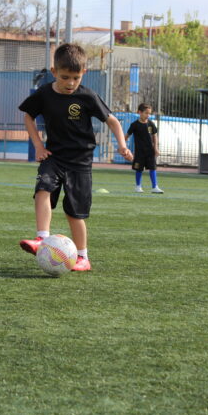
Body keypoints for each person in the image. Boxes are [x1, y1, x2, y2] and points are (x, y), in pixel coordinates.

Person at [18, 43, 133, 272]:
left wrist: (121, 144)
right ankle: (42, 238)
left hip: (80, 162)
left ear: (84, 74)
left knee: (74, 212)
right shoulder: (44, 94)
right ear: (54, 72)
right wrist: (39, 145)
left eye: (75, 78)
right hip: (54, 156)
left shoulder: (87, 96)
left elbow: (112, 120)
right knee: (43, 189)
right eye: (65, 77)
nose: (70, 83)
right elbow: (28, 117)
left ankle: (83, 257)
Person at [126, 103, 163, 193]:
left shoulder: (151, 124)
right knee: (139, 169)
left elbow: (155, 136)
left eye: (149, 113)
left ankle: (155, 187)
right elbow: (126, 136)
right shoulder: (134, 125)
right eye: (146, 113)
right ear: (139, 112)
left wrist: (156, 148)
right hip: (139, 152)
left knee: (152, 168)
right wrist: (124, 148)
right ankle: (138, 186)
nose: (148, 115)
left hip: (150, 151)